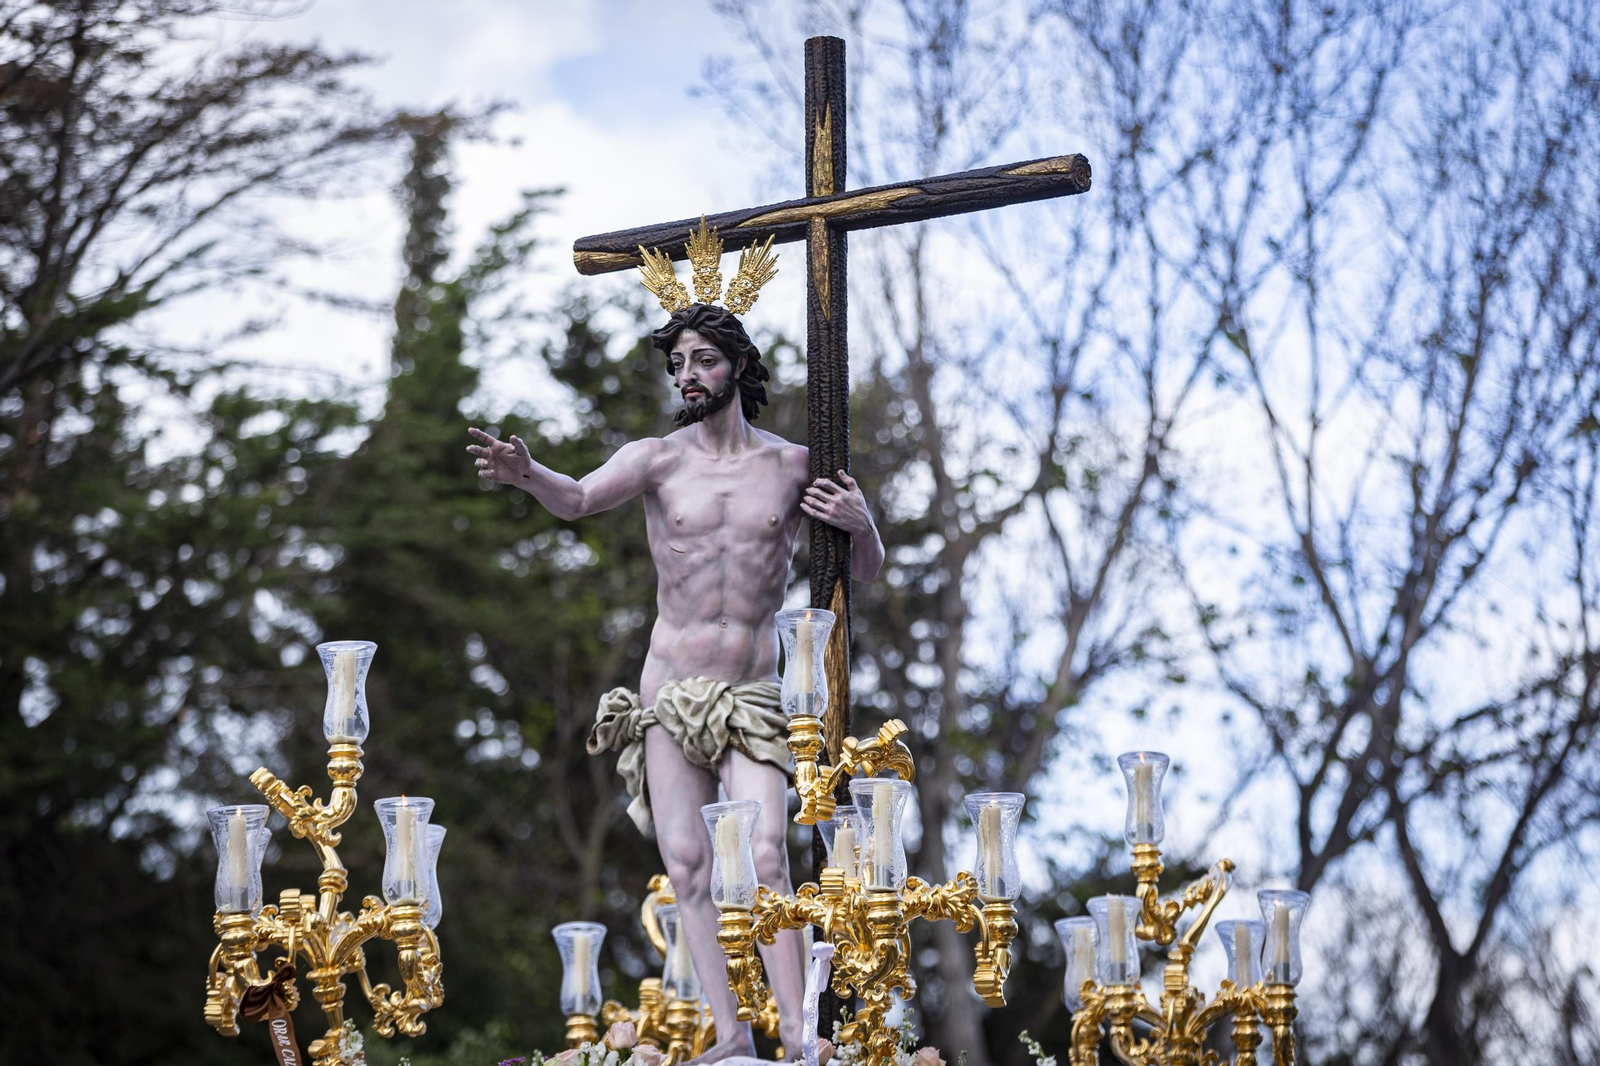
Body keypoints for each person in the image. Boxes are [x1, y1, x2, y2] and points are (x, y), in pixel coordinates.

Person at [467, 293, 882, 1061]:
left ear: (740, 367)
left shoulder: (793, 466)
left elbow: (855, 575)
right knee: (687, 864)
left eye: (704, 360)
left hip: (754, 694)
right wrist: (528, 476)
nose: (688, 375)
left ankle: (796, 1031)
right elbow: (582, 498)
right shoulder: (655, 459)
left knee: (762, 854)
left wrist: (866, 526)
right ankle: (731, 1032)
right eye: (679, 363)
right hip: (666, 695)